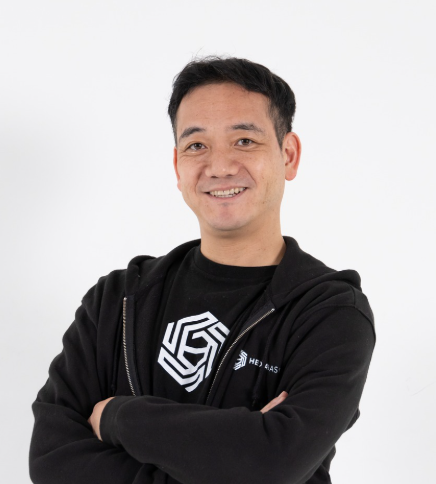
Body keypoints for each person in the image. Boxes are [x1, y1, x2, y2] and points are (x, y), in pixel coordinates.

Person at [29, 56, 376, 484]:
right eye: (197, 145)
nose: (220, 166)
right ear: (178, 166)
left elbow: (271, 464)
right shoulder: (117, 300)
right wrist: (238, 447)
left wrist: (119, 417)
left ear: (288, 155)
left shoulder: (330, 313)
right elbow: (51, 461)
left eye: (244, 141)